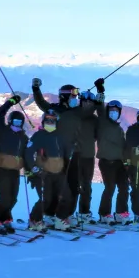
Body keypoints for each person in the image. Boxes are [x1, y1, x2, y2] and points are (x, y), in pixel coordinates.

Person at [31, 79, 85, 220]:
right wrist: (36, 89)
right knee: (57, 186)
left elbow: (92, 108)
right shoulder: (54, 110)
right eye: (73, 96)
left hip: (74, 153)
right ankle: (49, 213)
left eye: (76, 97)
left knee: (74, 186)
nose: (75, 99)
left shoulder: (78, 111)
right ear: (64, 97)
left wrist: (91, 97)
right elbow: (41, 103)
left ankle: (67, 214)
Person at [23, 110, 72, 231]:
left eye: (52, 120)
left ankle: (60, 219)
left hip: (59, 172)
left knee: (66, 196)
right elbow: (28, 153)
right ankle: (35, 220)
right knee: (46, 199)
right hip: (44, 173)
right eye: (47, 120)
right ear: (43, 121)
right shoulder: (38, 135)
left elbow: (66, 153)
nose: (50, 122)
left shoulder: (60, 136)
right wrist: (34, 169)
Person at [0, 93, 29, 235]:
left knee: (13, 198)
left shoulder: (23, 137)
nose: (17, 125)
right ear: (10, 121)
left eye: (20, 123)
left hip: (14, 171)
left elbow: (26, 154)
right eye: (15, 122)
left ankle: (5, 219)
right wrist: (10, 102)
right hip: (1, 169)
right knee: (5, 198)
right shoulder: (2, 130)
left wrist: (29, 169)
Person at [95, 96, 129, 225]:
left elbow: (123, 147)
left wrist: (126, 163)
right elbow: (100, 109)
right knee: (110, 188)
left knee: (124, 188)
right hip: (106, 161)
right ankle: (104, 214)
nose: (113, 112)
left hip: (119, 163)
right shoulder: (103, 123)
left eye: (116, 110)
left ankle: (121, 213)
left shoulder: (119, 129)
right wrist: (100, 91)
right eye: (111, 110)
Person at [69, 87, 101, 223]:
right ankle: (68, 213)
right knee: (73, 186)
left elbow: (96, 135)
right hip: (75, 155)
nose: (87, 104)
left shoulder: (94, 119)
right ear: (81, 101)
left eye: (90, 102)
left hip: (88, 155)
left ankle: (84, 212)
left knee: (86, 186)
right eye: (85, 101)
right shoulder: (74, 115)